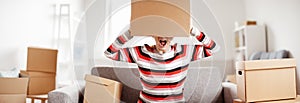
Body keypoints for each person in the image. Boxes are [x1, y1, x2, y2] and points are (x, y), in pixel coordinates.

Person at [104, 27, 218, 103]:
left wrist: (195, 32)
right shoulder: (140, 52)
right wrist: (129, 34)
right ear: (153, 35)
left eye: (167, 33)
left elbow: (214, 49)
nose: (162, 36)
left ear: (173, 36)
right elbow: (109, 53)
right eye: (158, 32)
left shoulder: (184, 52)